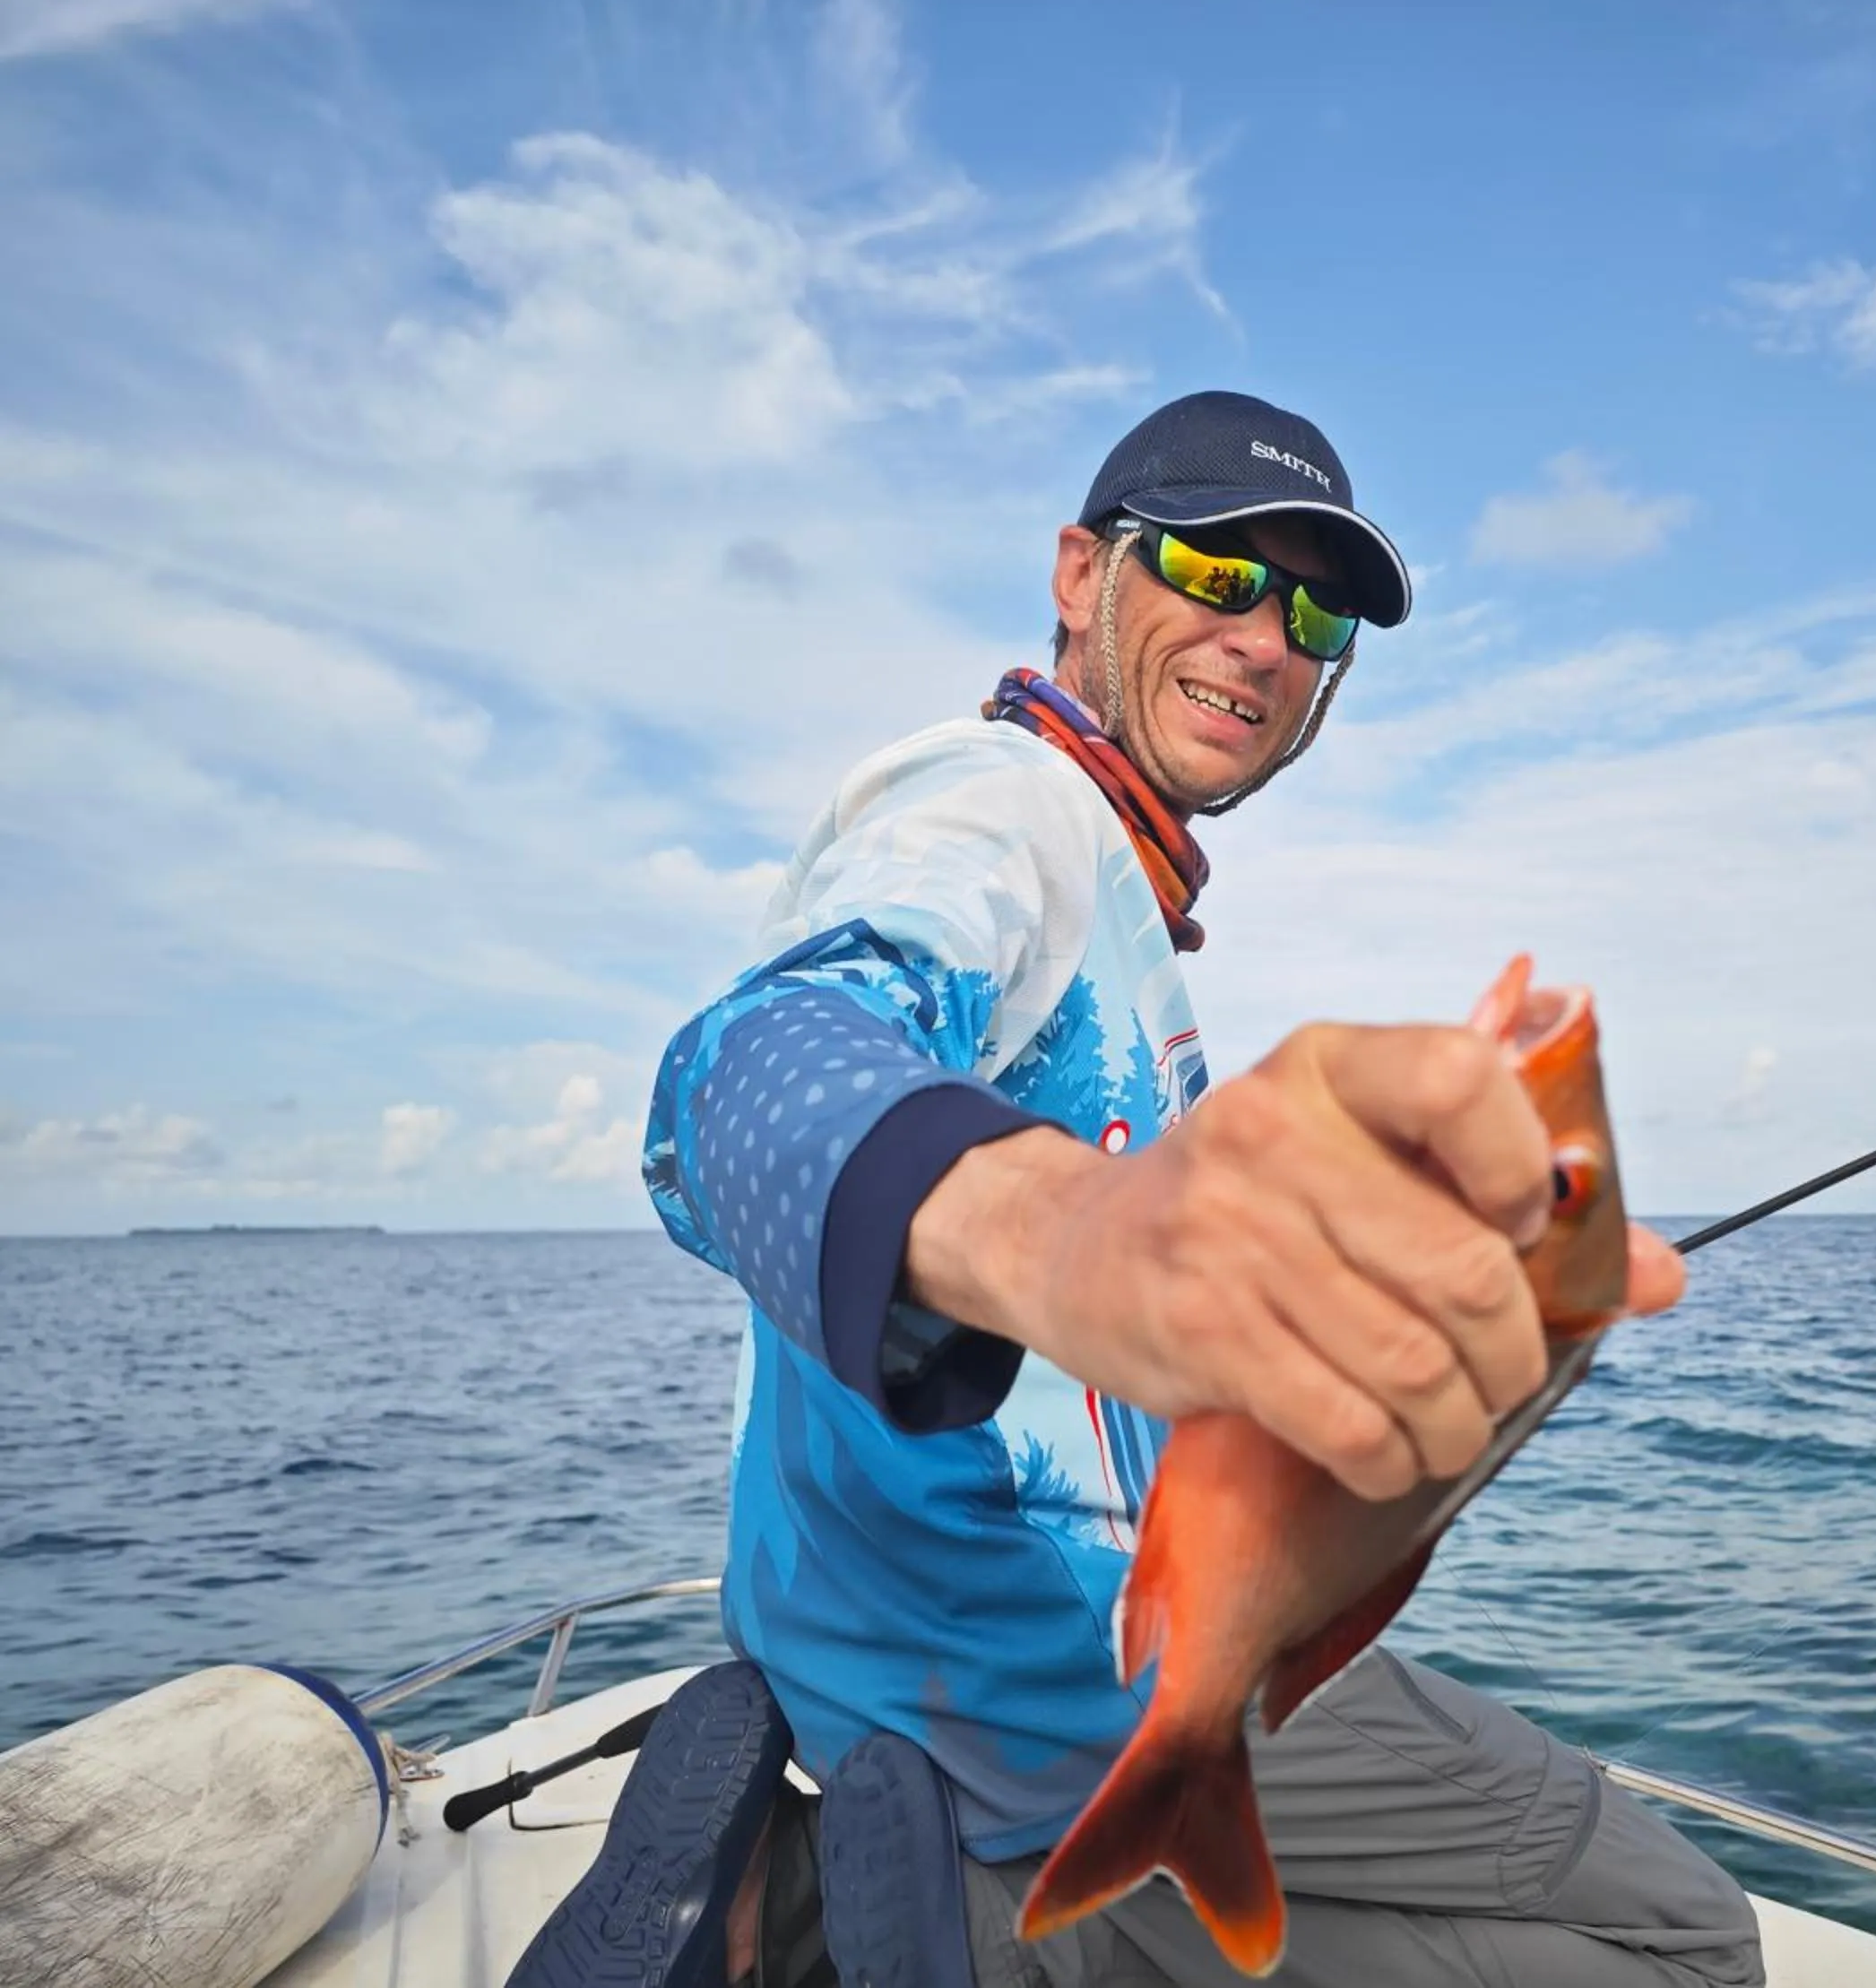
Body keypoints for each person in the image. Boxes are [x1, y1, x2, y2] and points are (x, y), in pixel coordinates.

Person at [546, 392, 1763, 1988]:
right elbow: (745, 1068)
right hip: (1037, 1700)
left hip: (991, 1661)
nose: (1267, 637)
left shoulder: (1128, 907)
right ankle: (918, 1927)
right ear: (1078, 572)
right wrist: (1079, 1232)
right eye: (1212, 565)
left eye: (1316, 610)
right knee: (1686, 1940)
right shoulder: (995, 806)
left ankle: (848, 1873)